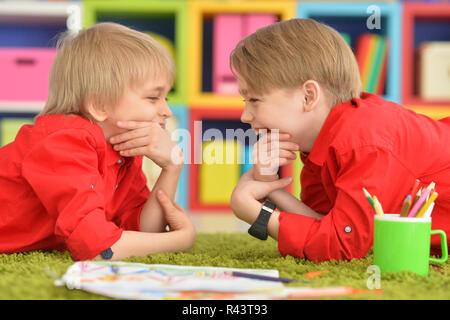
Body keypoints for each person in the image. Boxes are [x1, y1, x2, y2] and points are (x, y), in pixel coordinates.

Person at [229, 18, 450, 262]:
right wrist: (271, 186)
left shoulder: (364, 139)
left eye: (254, 100)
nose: (245, 116)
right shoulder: (322, 143)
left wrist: (258, 214)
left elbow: (343, 247)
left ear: (308, 96)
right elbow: (326, 223)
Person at [0, 23, 195, 261]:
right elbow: (99, 249)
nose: (166, 110)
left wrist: (172, 167)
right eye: (153, 98)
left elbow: (141, 231)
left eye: (165, 97)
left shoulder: (121, 151)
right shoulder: (64, 143)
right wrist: (179, 240)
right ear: (100, 106)